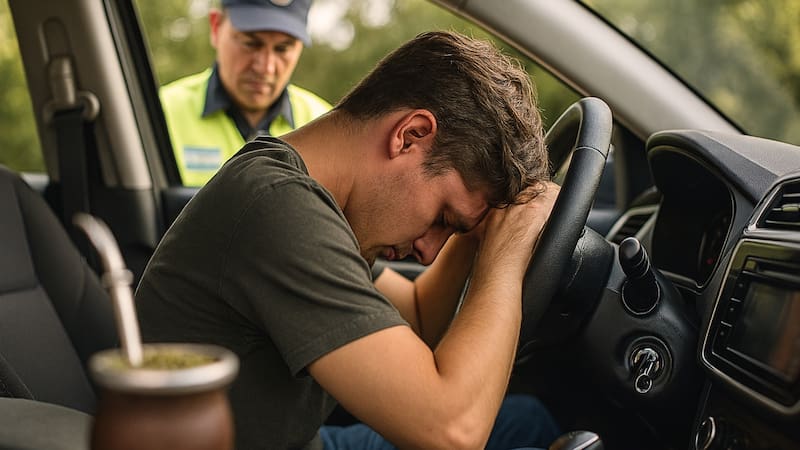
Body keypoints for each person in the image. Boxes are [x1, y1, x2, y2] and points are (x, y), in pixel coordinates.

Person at [136, 31, 561, 450]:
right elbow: (452, 432)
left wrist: (476, 237)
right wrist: (507, 256)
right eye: (442, 218)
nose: (430, 251)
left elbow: (415, 317)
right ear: (410, 135)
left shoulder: (314, 198)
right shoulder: (278, 208)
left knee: (528, 421)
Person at [160, 0, 331, 187]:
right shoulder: (160, 114)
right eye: (251, 44)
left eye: (282, 49)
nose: (266, 67)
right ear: (216, 27)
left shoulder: (326, 126)